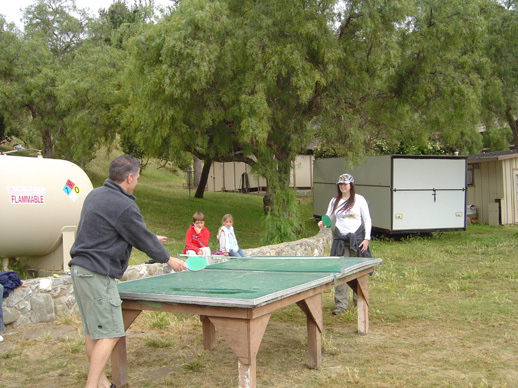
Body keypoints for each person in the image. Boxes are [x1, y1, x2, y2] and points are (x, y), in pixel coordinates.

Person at [69, 155, 187, 388]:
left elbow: (111, 228)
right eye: (138, 177)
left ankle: (102, 384)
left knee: (93, 332)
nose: (138, 182)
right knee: (111, 332)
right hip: (97, 274)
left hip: (80, 270)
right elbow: (138, 235)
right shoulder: (124, 204)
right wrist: (169, 259)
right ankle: (91, 386)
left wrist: (148, 236)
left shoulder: (95, 195)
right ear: (129, 177)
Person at [318, 173, 372, 316]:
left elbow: (367, 219)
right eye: (341, 184)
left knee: (358, 270)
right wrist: (323, 222)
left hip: (358, 239)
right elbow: (329, 216)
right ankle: (340, 305)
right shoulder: (334, 201)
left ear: (351, 185)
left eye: (346, 184)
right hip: (340, 240)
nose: (343, 186)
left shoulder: (359, 200)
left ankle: (359, 299)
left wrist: (366, 238)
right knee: (340, 271)